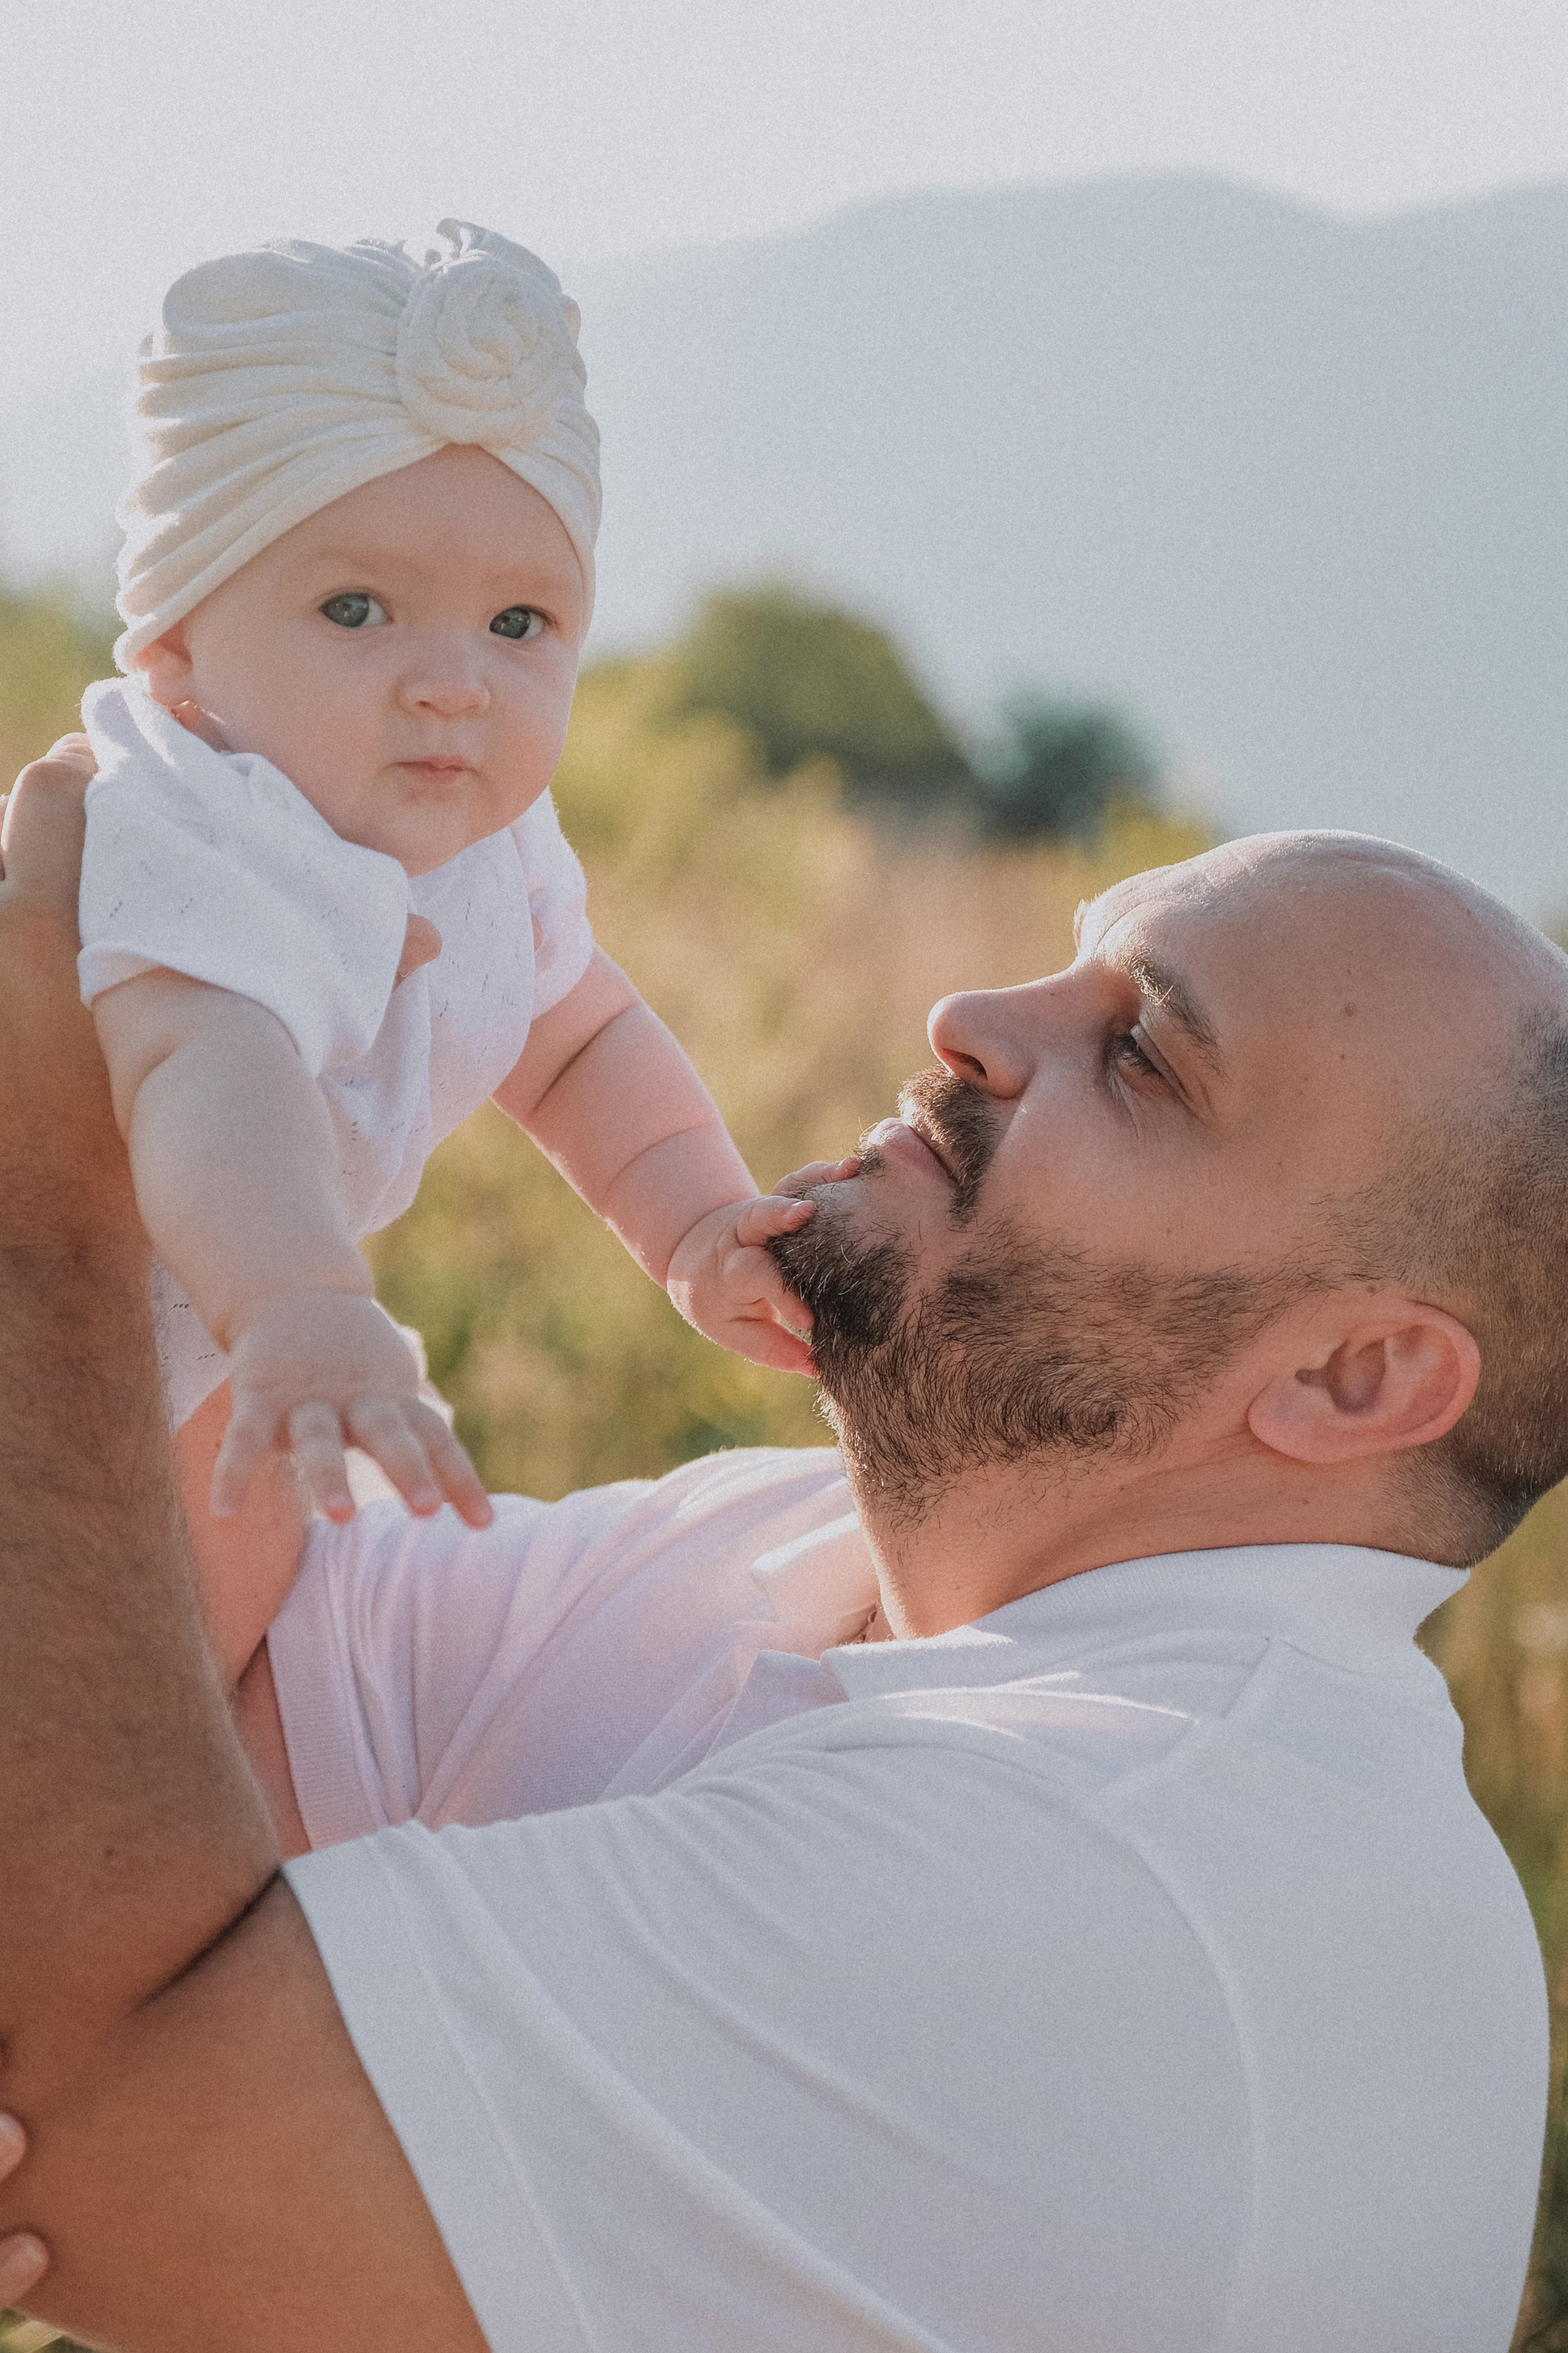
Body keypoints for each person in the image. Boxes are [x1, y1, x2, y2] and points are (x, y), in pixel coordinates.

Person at [0, 779, 1560, 2351]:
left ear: (1352, 1375)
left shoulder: (1134, 1864)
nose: (965, 1015)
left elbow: (81, 2101)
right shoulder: (798, 1561)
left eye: (1141, 1055)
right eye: (1063, 961)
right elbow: (150, 1686)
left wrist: (65, 1134)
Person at [77, 219, 816, 1536]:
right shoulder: (189, 820)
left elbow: (579, 1041)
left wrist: (695, 1221)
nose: (453, 682)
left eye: (518, 624)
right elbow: (212, 1072)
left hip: (170, 1362)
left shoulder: (486, 847)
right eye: (356, 608)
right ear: (178, 642)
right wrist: (302, 1300)